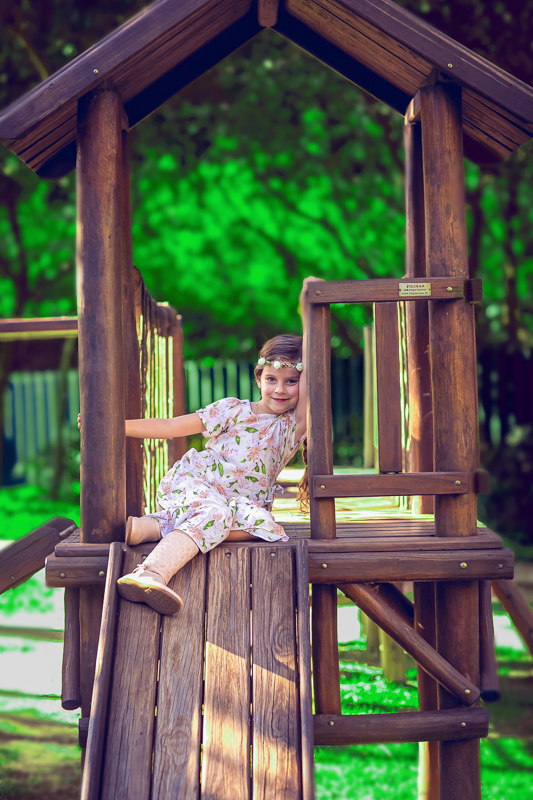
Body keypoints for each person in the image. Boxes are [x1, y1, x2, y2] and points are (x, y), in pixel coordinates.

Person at [78, 276, 319, 615]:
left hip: (240, 502)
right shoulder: (232, 409)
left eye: (291, 382)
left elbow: (315, 368)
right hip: (198, 484)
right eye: (272, 379)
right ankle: (150, 573)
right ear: (258, 377)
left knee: (265, 528)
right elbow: (171, 427)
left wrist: (311, 310)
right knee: (214, 515)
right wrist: (109, 427)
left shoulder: (292, 426)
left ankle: (154, 526)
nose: (280, 389)